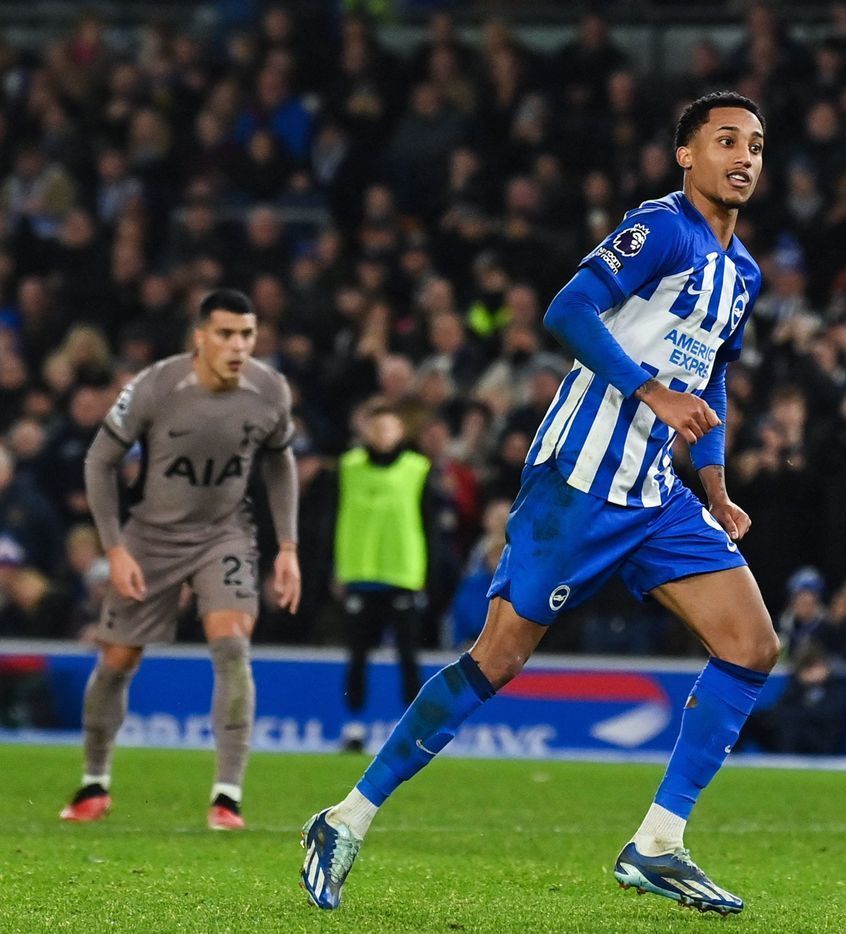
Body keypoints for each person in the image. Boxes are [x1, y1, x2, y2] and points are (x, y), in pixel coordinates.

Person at [301, 92, 777, 916]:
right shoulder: (661, 227)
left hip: (656, 495)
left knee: (753, 643)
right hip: (578, 482)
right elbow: (567, 307)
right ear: (685, 156)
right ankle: (345, 817)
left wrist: (716, 483)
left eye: (756, 145)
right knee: (498, 658)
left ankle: (658, 842)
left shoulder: (743, 273)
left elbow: (716, 375)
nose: (743, 156)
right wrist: (648, 391)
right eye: (725, 140)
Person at [62, 288, 301, 830]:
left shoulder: (269, 390)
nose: (238, 345)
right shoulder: (156, 385)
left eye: (246, 334)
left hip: (225, 534)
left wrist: (287, 548)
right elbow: (100, 461)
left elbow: (279, 460)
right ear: (200, 337)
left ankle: (227, 796)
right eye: (225, 334)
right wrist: (115, 549)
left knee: (232, 645)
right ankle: (94, 783)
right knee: (118, 662)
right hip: (150, 537)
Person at [334, 403, 432, 752]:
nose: (382, 435)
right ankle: (355, 728)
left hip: (403, 574)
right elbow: (334, 517)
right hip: (360, 574)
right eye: (376, 428)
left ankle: (413, 732)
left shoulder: (417, 469)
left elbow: (429, 524)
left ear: (401, 432)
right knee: (357, 655)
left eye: (389, 428)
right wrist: (337, 569)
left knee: (408, 655)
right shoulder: (349, 467)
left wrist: (427, 573)